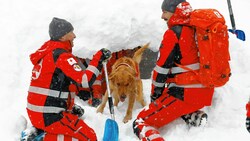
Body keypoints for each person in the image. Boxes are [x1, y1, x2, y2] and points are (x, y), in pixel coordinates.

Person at [132, 0, 215, 140]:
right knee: (169, 100)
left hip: (184, 94)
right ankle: (194, 116)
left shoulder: (174, 34)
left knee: (141, 122)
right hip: (205, 91)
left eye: (164, 12)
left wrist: (155, 96)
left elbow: (161, 69)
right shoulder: (199, 30)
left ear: (175, 12)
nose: (162, 16)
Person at [26, 17, 111, 141]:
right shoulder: (61, 56)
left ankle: (40, 132)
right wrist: (99, 58)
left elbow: (58, 85)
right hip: (49, 116)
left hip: (37, 113)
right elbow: (84, 81)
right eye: (71, 32)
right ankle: (42, 138)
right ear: (62, 37)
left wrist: (70, 107)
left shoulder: (48, 53)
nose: (74, 36)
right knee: (89, 136)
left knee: (77, 114)